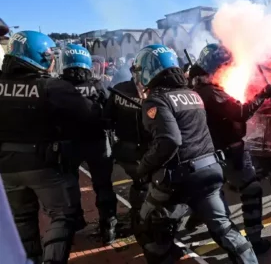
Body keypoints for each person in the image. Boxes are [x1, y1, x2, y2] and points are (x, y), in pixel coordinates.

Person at [130, 44, 258, 264]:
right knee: (225, 229)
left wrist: (143, 168)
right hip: (210, 172)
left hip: (179, 178)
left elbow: (169, 141)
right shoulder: (192, 94)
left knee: (148, 226)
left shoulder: (157, 100)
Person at [0, 31, 99, 264]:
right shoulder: (52, 87)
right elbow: (89, 115)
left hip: (6, 167)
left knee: (21, 218)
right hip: (44, 166)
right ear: (40, 57)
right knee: (62, 216)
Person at [191, 43, 271, 254]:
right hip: (229, 151)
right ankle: (253, 241)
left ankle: (201, 221)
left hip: (209, 152)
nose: (227, 69)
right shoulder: (211, 92)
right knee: (252, 190)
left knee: (215, 196)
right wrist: (262, 95)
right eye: (224, 66)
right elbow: (240, 112)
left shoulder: (196, 88)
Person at [59, 44, 117, 245]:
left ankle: (76, 222)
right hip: (97, 142)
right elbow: (109, 112)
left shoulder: (56, 86)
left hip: (68, 143)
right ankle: (108, 225)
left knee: (70, 184)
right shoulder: (98, 85)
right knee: (103, 185)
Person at [103, 67, 150, 232]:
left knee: (141, 184)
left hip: (124, 150)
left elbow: (107, 119)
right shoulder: (155, 92)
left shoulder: (120, 89)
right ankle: (142, 222)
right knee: (146, 185)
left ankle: (138, 217)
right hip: (147, 151)